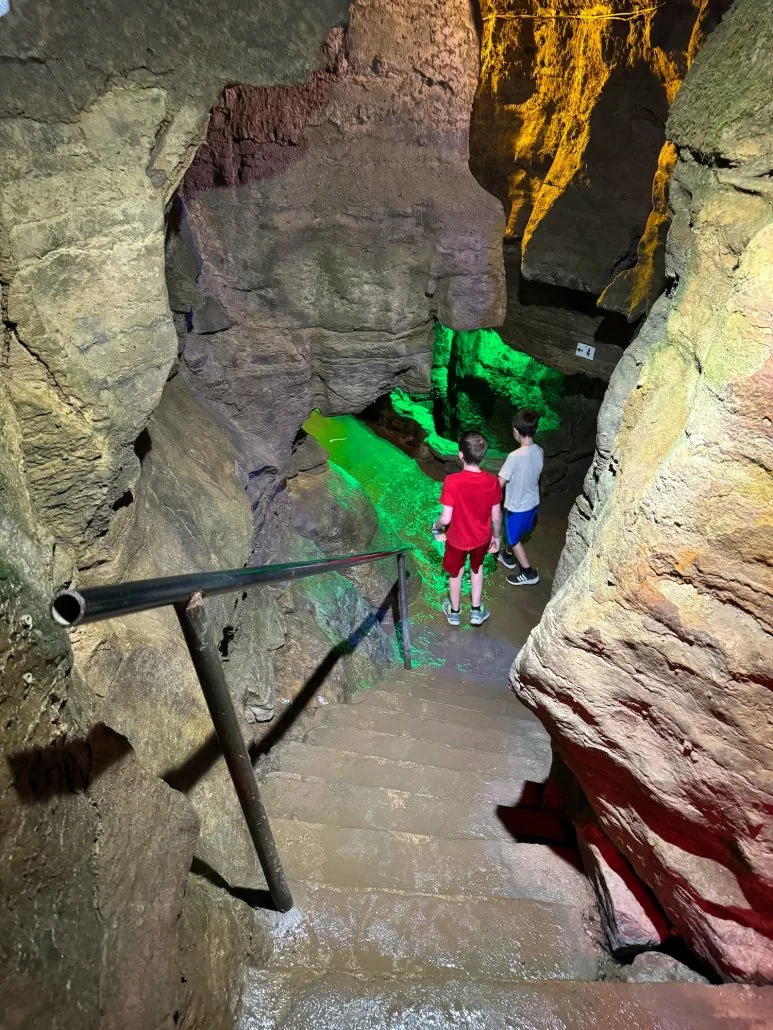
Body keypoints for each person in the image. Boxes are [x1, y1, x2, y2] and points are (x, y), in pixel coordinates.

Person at [431, 430, 502, 627]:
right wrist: (497, 537)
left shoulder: (452, 481)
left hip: (457, 539)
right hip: (481, 538)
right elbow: (496, 515)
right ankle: (476, 611)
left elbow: (446, 518)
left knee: (456, 573)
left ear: (460, 455)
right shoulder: (492, 481)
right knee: (477, 569)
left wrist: (435, 528)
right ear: (483, 455)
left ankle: (454, 613)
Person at [497, 409, 543, 586]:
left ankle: (528, 572)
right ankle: (507, 556)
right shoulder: (539, 451)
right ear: (536, 430)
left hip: (516, 507)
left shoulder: (514, 457)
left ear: (515, 431)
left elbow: (500, 483)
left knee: (514, 540)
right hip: (533, 504)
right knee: (514, 533)